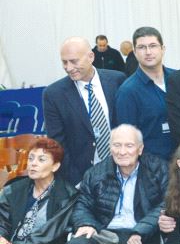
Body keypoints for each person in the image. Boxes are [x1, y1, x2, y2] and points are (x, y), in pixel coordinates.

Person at [44, 37, 125, 185]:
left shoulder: (117, 80)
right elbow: (57, 143)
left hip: (123, 170)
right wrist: (77, 182)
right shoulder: (54, 94)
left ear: (91, 57)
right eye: (64, 62)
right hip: (82, 179)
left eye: (74, 61)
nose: (69, 68)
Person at [116, 26, 176, 161]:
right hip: (153, 167)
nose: (148, 52)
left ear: (163, 49)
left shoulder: (178, 79)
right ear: (135, 52)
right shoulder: (128, 91)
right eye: (142, 47)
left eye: (153, 46)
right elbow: (128, 139)